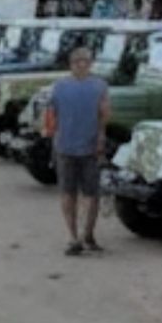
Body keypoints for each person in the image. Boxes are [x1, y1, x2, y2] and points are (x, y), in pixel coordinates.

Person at [42, 47, 110, 256]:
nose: (81, 65)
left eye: (84, 62)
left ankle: (80, 235)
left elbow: (103, 115)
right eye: (79, 62)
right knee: (79, 193)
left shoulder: (63, 86)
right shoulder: (96, 86)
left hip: (78, 146)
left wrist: (100, 137)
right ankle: (79, 235)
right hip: (74, 146)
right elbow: (104, 114)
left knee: (79, 193)